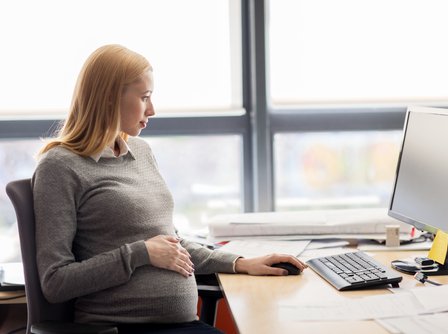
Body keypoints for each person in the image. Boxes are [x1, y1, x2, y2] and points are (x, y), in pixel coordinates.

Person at [32, 44, 307, 333]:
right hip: (120, 329)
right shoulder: (60, 166)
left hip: (183, 325)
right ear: (110, 97)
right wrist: (139, 253)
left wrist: (241, 263)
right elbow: (55, 282)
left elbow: (170, 244)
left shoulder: (140, 151)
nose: (152, 109)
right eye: (144, 97)